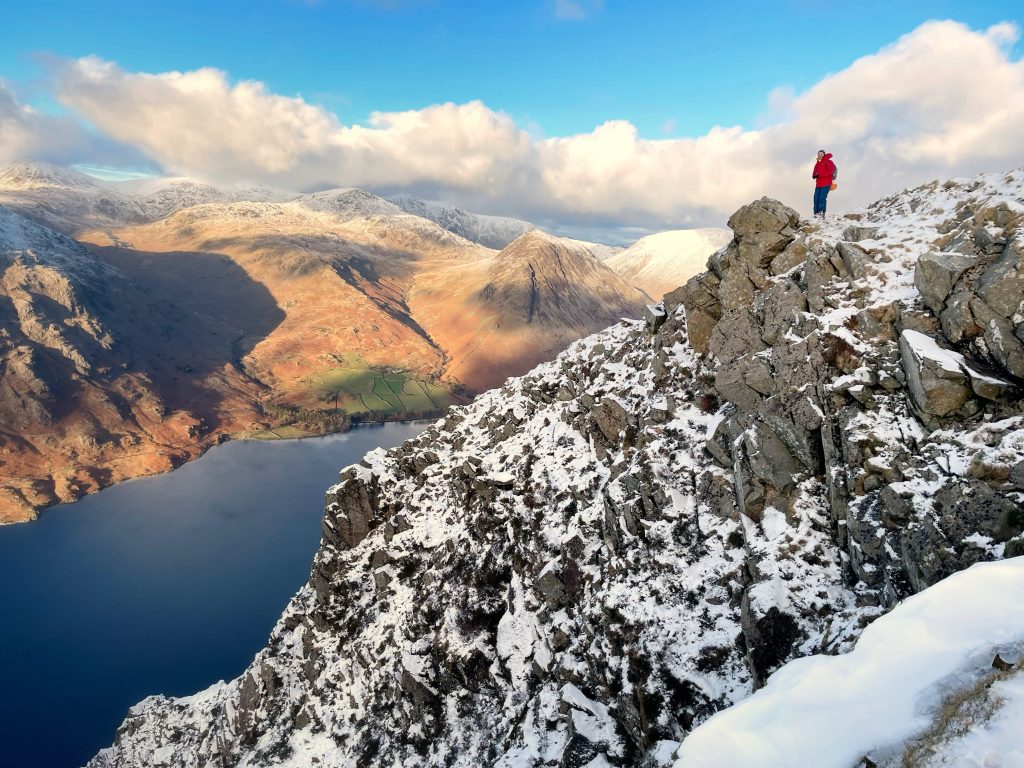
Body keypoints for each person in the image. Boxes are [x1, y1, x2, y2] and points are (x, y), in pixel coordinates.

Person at [812, 150, 837, 219]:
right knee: (816, 198)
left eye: (821, 154)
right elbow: (814, 172)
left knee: (822, 198)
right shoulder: (817, 164)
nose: (819, 155)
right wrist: (814, 175)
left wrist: (819, 175)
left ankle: (821, 212)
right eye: (818, 154)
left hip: (826, 183)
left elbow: (830, 172)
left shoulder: (829, 162)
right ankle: (816, 213)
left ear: (824, 155)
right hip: (818, 184)